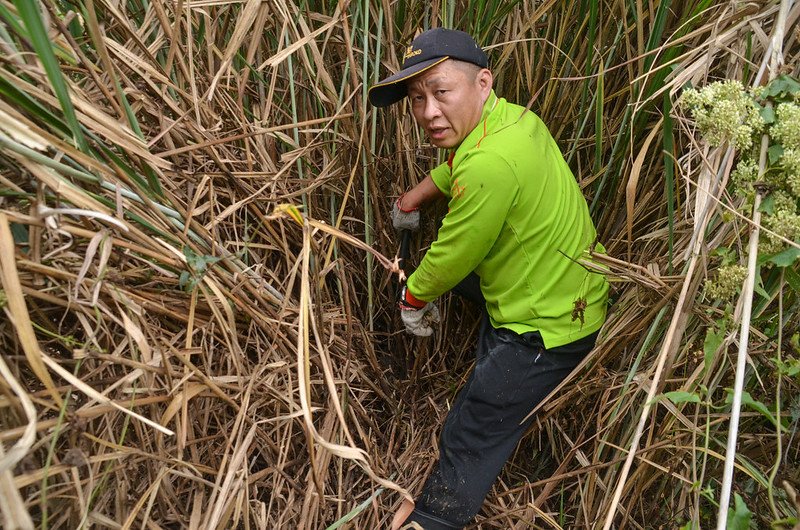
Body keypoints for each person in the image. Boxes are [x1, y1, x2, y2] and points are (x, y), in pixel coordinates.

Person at [368, 28, 609, 529]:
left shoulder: (490, 166)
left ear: (482, 81)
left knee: (471, 428)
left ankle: (431, 520)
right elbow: (461, 164)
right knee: (454, 275)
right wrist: (415, 197)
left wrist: (411, 297)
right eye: (416, 99)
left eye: (441, 91)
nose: (428, 112)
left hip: (548, 330)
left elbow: (452, 256)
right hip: (572, 284)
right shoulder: (515, 119)